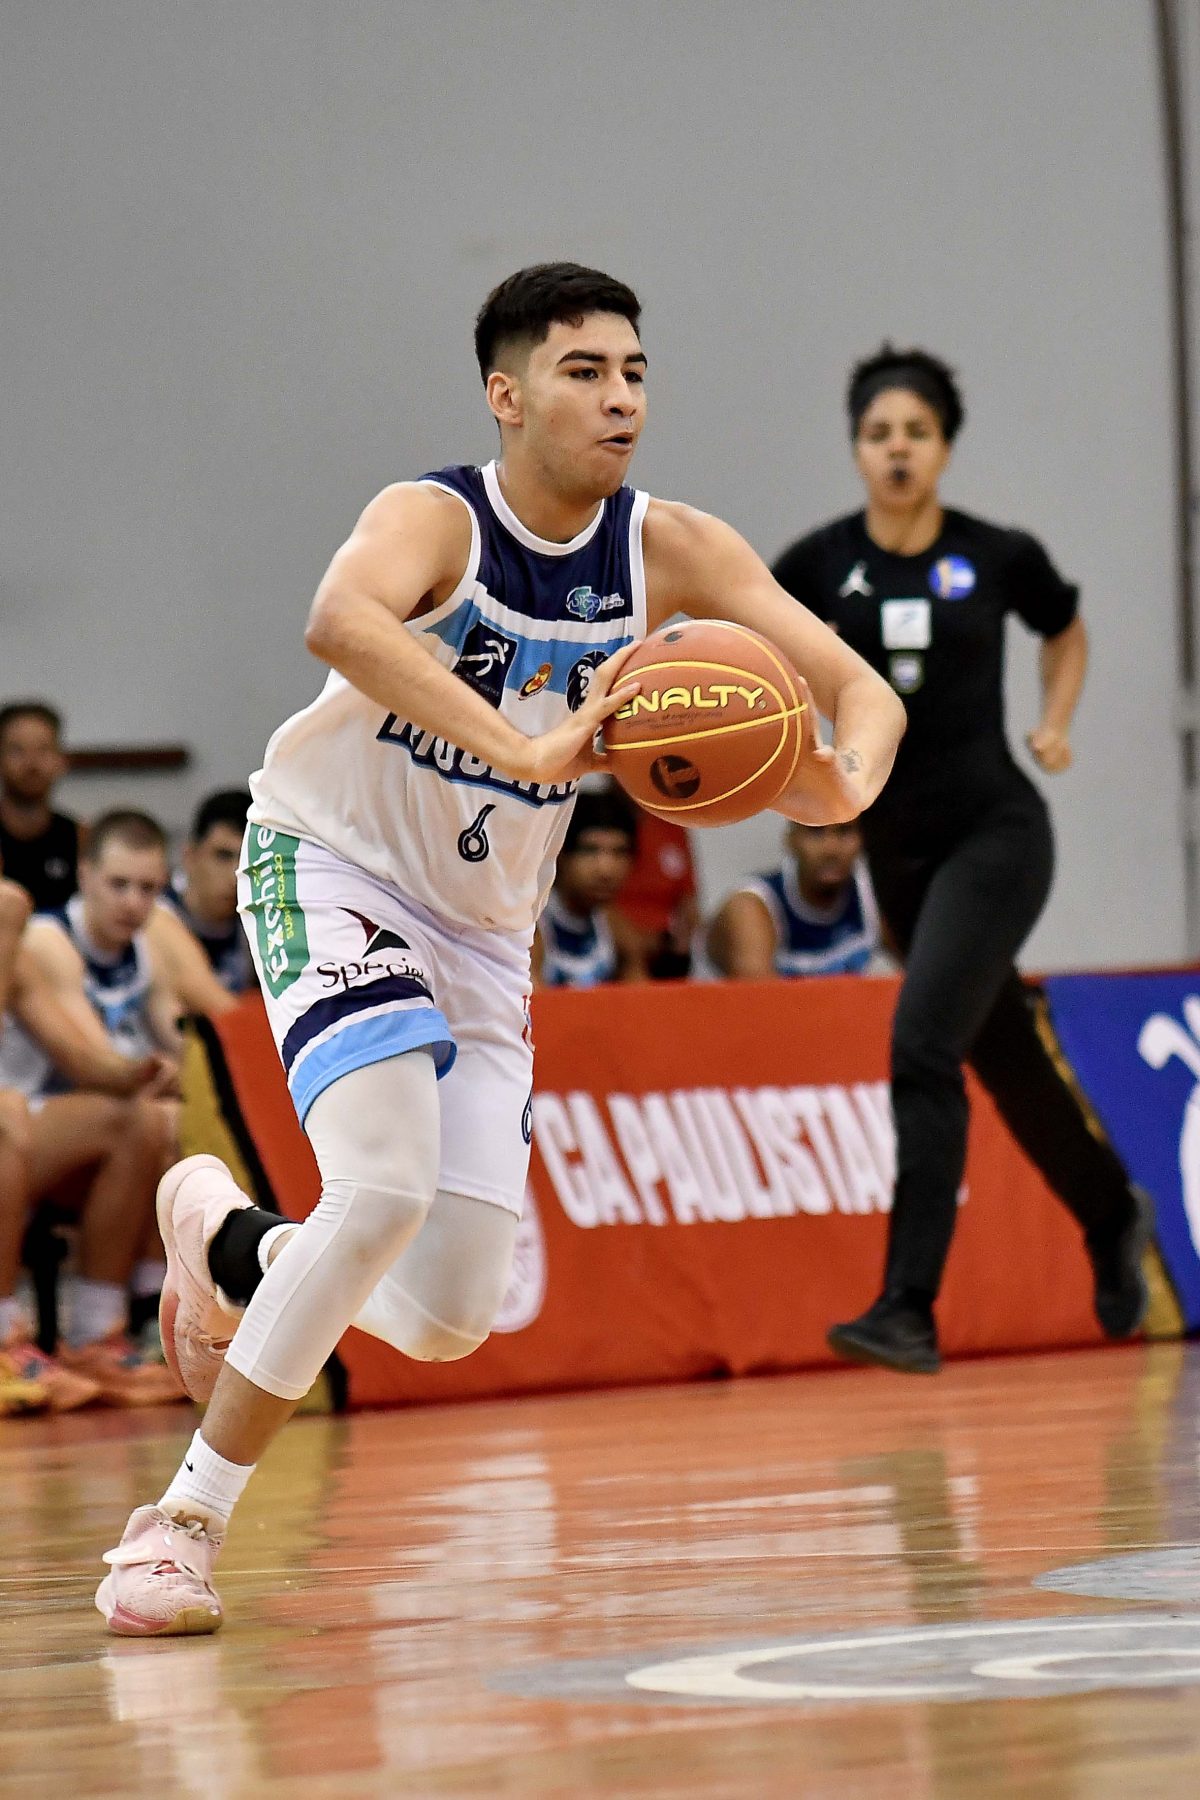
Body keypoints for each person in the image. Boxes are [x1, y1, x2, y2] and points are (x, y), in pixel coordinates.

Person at [94, 260, 904, 1637]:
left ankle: (228, 1242)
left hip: (481, 933)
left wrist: (838, 779)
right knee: (382, 1187)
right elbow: (339, 621)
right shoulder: (435, 519)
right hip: (334, 863)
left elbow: (858, 688)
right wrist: (527, 748)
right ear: (507, 395)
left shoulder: (672, 548)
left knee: (452, 1311)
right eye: (585, 371)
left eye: (635, 371)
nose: (621, 397)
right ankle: (178, 1529)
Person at [772, 342, 1150, 1375]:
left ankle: (908, 1304)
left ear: (945, 446)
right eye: (878, 434)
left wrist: (1057, 722)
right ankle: (1112, 1211)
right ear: (856, 448)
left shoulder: (998, 554)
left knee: (921, 1044)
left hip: (999, 835)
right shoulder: (817, 564)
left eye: (916, 433)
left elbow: (1064, 630)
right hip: (897, 856)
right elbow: (752, 651)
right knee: (1004, 1060)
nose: (897, 450)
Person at [0, 876, 181, 1408]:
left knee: (137, 1122)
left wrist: (135, 1072)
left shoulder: (15, 952)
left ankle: (95, 1335)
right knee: (6, 1117)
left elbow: (79, 1058)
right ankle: (3, 1338)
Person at [707, 820, 881, 979]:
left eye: (845, 831)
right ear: (790, 839)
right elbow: (759, 1000)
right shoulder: (750, 908)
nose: (831, 849)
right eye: (815, 831)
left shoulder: (872, 892)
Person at [532, 783, 645, 986]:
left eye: (619, 852)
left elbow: (642, 1002)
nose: (606, 870)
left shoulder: (617, 930)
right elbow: (530, 1004)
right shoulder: (530, 927)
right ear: (560, 854)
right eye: (590, 850)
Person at [159, 789, 257, 996]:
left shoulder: (259, 923)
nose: (236, 875)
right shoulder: (155, 916)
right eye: (223, 856)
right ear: (189, 856)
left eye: (248, 860)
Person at [0, 701, 80, 911]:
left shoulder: (82, 840)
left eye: (43, 750)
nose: (31, 763)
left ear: (61, 760)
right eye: (17, 750)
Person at [613, 805, 698, 979]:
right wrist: (635, 944)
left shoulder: (672, 826)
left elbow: (689, 900)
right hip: (620, 946)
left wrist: (682, 941)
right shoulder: (606, 827)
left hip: (669, 951)